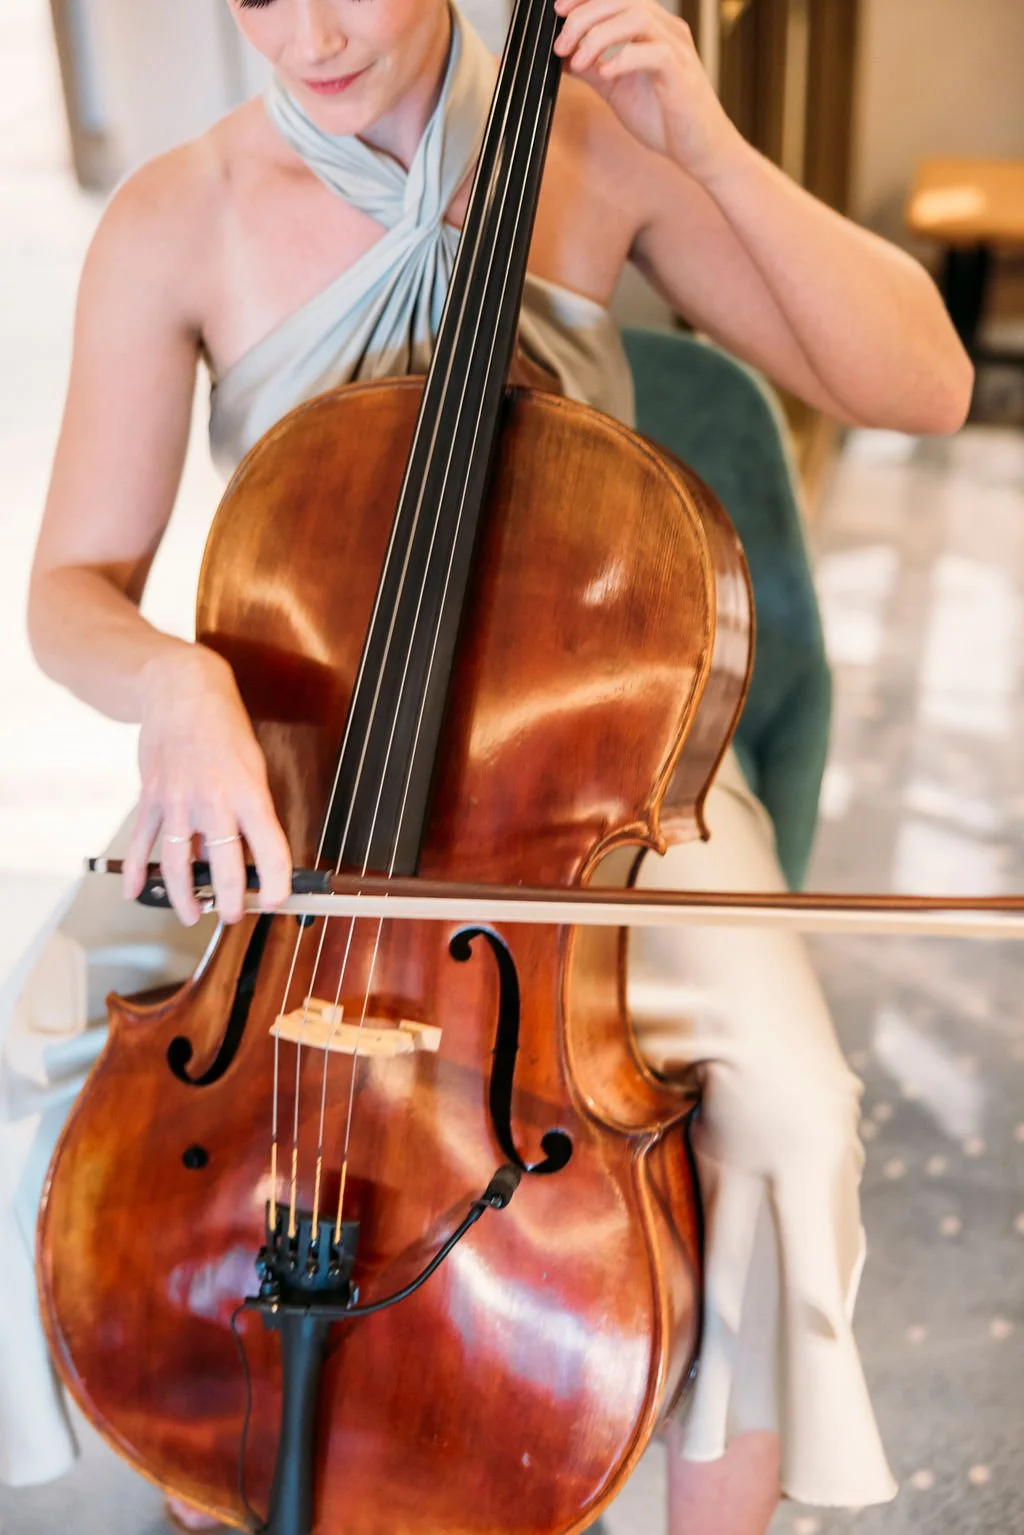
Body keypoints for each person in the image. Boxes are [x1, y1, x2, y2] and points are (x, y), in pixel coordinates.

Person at [4, 1, 972, 1531]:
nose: (306, 34)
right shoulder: (179, 214)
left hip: (584, 766)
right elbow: (68, 595)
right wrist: (176, 682)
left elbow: (925, 386)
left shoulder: (595, 143)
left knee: (789, 1101)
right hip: (288, 760)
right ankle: (210, 1445)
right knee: (49, 1032)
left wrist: (708, 147)